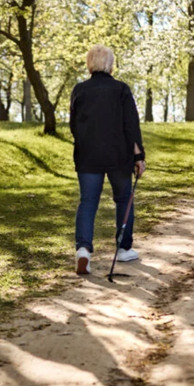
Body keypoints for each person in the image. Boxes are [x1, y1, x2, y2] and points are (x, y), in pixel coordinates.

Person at [69, 45, 146, 275]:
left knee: (88, 202)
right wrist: (138, 156)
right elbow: (130, 125)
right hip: (118, 155)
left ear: (90, 63)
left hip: (88, 155)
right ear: (110, 64)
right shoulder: (121, 89)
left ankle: (83, 249)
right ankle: (123, 249)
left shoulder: (79, 90)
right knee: (123, 198)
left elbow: (74, 125)